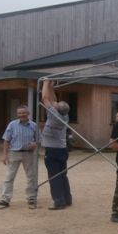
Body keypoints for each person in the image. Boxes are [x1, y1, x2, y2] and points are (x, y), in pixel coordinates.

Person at [0, 105, 40, 209]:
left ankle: (31, 198)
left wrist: (35, 144)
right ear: (17, 114)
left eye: (24, 113)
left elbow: (39, 139)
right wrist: (5, 155)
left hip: (28, 154)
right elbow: (6, 140)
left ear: (28, 114)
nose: (22, 115)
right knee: (9, 177)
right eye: (19, 113)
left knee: (31, 176)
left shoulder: (34, 126)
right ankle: (5, 199)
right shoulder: (12, 125)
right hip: (14, 153)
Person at [40, 79, 72, 210]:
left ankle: (59, 201)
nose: (55, 104)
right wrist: (52, 87)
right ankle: (67, 198)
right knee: (62, 175)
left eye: (56, 104)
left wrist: (45, 83)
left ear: (56, 109)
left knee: (54, 176)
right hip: (62, 149)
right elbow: (52, 100)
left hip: (53, 150)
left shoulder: (54, 115)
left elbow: (45, 98)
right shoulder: (64, 115)